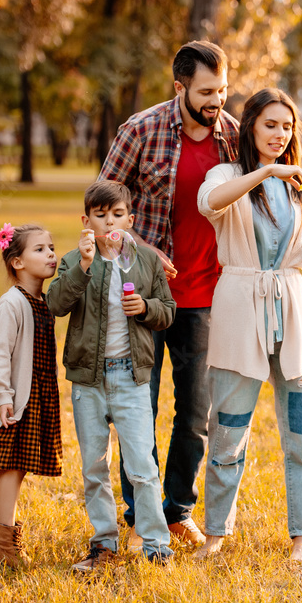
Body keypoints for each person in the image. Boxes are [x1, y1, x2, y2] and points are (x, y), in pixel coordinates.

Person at [98, 40, 239, 548]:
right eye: (206, 91)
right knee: (140, 407)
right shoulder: (141, 130)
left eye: (222, 90)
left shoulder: (232, 139)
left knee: (196, 410)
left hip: (206, 295)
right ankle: (141, 519)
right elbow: (100, 210)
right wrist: (141, 248)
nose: (216, 101)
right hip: (143, 296)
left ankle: (178, 510)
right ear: (179, 86)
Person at [193, 88, 302, 563]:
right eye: (271, 124)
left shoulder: (300, 186)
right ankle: (215, 535)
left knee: (301, 436)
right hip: (238, 316)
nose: (280, 135)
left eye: (287, 126)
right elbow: (209, 202)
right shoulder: (229, 175)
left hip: (292, 315)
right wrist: (267, 171)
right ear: (250, 125)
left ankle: (301, 539)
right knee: (228, 431)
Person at [47, 181, 177, 570]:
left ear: (130, 220)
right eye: (100, 216)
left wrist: (147, 307)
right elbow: (56, 303)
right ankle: (103, 544)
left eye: (117, 215)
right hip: (88, 381)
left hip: (130, 379)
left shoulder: (147, 261)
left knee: (143, 467)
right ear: (86, 221)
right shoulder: (75, 260)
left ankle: (157, 546)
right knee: (94, 467)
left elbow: (168, 310)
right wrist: (84, 267)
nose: (109, 223)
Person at [0, 223, 62, 569]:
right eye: (39, 249)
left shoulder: (41, 300)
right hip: (15, 399)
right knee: (13, 467)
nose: (50, 254)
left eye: (51, 247)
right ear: (17, 262)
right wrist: (2, 396)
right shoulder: (12, 304)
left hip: (34, 396)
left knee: (7, 466)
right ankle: (5, 541)